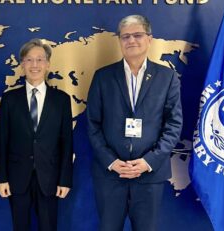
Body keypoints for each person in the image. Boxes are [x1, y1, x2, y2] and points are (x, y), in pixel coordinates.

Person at [86, 15, 182, 231]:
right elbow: (92, 124)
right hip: (110, 175)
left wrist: (148, 162)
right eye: (125, 36)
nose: (131, 41)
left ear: (149, 39)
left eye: (137, 35)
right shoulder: (103, 77)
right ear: (120, 41)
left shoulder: (167, 77)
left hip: (149, 175)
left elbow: (173, 125)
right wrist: (111, 162)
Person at [0, 39, 73, 231]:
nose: (35, 65)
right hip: (16, 178)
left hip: (50, 178)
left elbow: (67, 143)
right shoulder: (9, 99)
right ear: (22, 65)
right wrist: (1, 177)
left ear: (48, 64)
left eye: (40, 59)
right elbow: (2, 140)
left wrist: (65, 179)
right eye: (29, 60)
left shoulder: (61, 100)